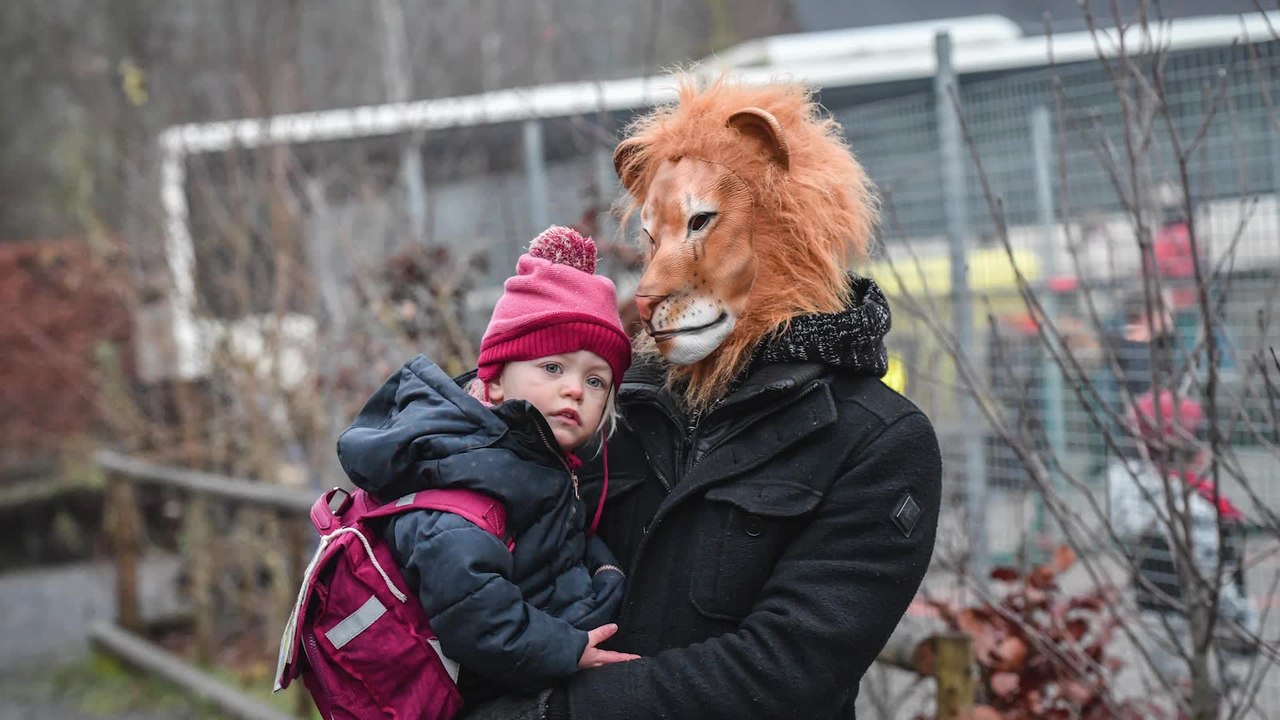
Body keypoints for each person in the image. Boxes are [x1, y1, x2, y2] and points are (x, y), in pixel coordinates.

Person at [463, 76, 942, 719]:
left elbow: (783, 673)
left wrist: (553, 713)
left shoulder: (878, 441)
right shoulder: (612, 400)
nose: (651, 288)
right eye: (654, 239)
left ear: (789, 220)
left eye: (699, 225)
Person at [335, 226, 640, 702]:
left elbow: (562, 541)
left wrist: (605, 574)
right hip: (489, 692)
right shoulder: (470, 471)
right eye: (553, 368)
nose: (575, 390)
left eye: (596, 381)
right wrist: (564, 648)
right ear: (495, 381)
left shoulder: (535, 461)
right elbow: (471, 612)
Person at [1107, 389, 1257, 700]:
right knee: (1201, 691)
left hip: (1155, 609)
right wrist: (1242, 624)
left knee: (1184, 691)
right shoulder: (1199, 507)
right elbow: (1216, 580)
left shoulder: (1134, 491)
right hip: (1202, 619)